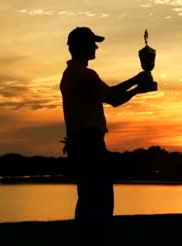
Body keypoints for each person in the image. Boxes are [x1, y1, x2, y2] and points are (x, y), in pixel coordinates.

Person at [60, 27, 155, 246]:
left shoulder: (71, 75)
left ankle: (88, 240)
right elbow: (112, 97)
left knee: (88, 199)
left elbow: (113, 99)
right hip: (89, 144)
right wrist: (138, 82)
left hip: (80, 145)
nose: (95, 47)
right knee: (100, 200)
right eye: (92, 43)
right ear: (81, 46)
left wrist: (137, 88)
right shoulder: (84, 75)